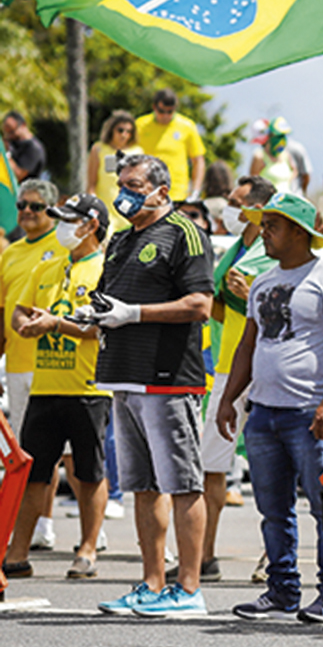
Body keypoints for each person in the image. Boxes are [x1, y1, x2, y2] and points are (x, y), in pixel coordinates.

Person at [215, 193, 323, 621]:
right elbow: (248, 344)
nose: (263, 233)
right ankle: (282, 589)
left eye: (272, 226)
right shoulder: (262, 282)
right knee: (272, 509)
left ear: (300, 232)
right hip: (263, 412)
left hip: (308, 413)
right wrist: (229, 400)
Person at [90, 154, 214, 618]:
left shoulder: (184, 232)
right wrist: (86, 317)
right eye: (122, 183)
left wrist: (134, 314)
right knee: (142, 485)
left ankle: (189, 588)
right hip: (123, 374)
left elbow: (200, 303)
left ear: (161, 191)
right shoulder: (121, 240)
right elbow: (109, 301)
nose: (125, 192)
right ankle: (151, 582)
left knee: (182, 483)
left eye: (135, 184)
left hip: (167, 379)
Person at [1, 196, 111, 581]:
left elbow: (100, 326)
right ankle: (16, 551)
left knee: (88, 472)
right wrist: (22, 323)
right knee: (33, 471)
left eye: (70, 220)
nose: (62, 226)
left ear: (91, 225)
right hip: (45, 386)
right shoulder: (48, 267)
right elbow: (19, 307)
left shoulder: (105, 270)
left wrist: (54, 325)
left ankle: (87, 548)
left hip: (89, 387)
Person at [199, 176, 277, 583]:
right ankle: (203, 553)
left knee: (267, 466)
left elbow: (282, 310)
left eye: (235, 202)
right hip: (227, 366)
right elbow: (218, 309)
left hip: (263, 368)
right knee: (210, 463)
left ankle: (273, 555)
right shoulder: (233, 249)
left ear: (257, 209)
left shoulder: (275, 249)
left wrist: (250, 298)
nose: (227, 208)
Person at [0, 178, 65, 551]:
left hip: (57, 364)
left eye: (36, 206)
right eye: (23, 205)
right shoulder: (10, 253)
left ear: (51, 211)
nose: (26, 211)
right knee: (28, 451)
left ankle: (47, 522)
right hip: (18, 364)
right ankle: (30, 523)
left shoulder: (63, 246)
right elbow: (2, 312)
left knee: (65, 455)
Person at [135, 89, 206, 201]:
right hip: (146, 192)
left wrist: (195, 191)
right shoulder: (140, 125)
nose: (166, 116)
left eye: (170, 112)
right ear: (154, 107)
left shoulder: (187, 126)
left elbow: (198, 160)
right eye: (161, 111)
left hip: (177, 194)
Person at [86, 110, 143, 231]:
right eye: (120, 130)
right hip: (105, 211)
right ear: (111, 129)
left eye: (129, 132)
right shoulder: (98, 149)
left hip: (128, 211)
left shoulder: (137, 152)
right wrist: (93, 207)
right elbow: (91, 184)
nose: (124, 135)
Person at [252, 117, 301, 195]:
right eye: (278, 136)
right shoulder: (260, 156)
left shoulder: (286, 155)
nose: (281, 140)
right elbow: (252, 181)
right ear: (270, 136)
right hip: (267, 203)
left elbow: (295, 171)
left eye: (284, 136)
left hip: (286, 201)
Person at [2, 111, 47, 182]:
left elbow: (18, 175)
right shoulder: (12, 142)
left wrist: (5, 153)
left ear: (23, 125)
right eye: (6, 133)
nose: (8, 136)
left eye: (12, 132)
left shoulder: (34, 149)